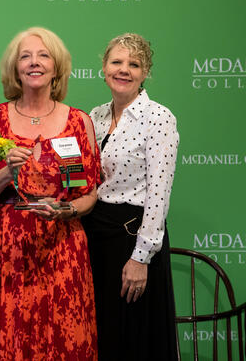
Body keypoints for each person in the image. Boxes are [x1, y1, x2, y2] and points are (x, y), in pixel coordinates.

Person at [0, 27, 100, 360]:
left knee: (62, 341)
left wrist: (64, 211)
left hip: (61, 250)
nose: (34, 63)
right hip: (0, 252)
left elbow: (88, 193)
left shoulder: (79, 122)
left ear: (57, 67)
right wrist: (6, 173)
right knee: (2, 339)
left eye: (43, 55)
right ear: (15, 69)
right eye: (25, 56)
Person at [83, 33, 179, 360]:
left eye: (134, 64)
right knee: (101, 332)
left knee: (134, 337)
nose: (124, 70)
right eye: (117, 62)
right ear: (104, 67)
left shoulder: (159, 119)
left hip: (132, 239)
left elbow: (159, 195)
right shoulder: (93, 117)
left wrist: (141, 257)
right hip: (94, 237)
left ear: (145, 72)